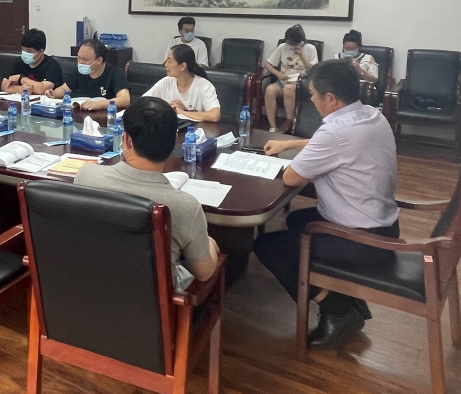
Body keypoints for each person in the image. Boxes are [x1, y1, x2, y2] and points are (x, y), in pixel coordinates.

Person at [253, 59, 399, 350]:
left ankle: (338, 311)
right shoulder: (371, 114)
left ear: (330, 98)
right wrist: (289, 144)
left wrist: (289, 152)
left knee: (268, 247)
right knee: (295, 220)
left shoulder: (334, 133)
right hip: (385, 226)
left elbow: (292, 177)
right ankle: (344, 294)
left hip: (361, 241)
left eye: (313, 94)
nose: (311, 100)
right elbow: (336, 142)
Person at [75, 96, 220, 289]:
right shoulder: (185, 206)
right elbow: (204, 273)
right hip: (150, 301)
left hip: (86, 288)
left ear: (126, 139)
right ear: (173, 144)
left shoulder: (85, 177)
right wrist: (210, 244)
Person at [143, 44, 221, 122]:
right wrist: (169, 109)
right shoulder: (166, 82)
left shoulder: (204, 86)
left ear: (183, 66)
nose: (166, 65)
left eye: (169, 61)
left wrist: (182, 112)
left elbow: (215, 115)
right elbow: (142, 102)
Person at [46, 38, 130, 110]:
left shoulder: (114, 73)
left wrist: (99, 104)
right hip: (84, 115)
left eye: (85, 59)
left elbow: (125, 100)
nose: (80, 62)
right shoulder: (80, 71)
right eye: (79, 58)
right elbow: (64, 89)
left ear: (99, 60)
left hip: (107, 116)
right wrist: (54, 93)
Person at [263, 24, 318, 133]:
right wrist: (278, 73)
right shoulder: (282, 47)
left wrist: (302, 56)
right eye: (290, 43)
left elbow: (313, 70)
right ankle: (273, 126)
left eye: (294, 44)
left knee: (288, 89)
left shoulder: (310, 48)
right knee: (270, 90)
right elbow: (267, 64)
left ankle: (289, 121)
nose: (292, 46)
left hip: (301, 83)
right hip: (283, 80)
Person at [0, 28, 63, 94]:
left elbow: (42, 90)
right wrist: (20, 89)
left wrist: (21, 79)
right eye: (23, 50)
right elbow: (4, 86)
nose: (25, 53)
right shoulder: (18, 62)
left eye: (28, 51)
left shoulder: (52, 65)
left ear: (41, 51)